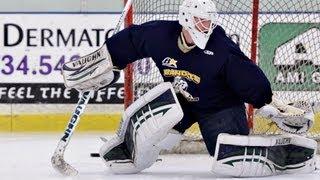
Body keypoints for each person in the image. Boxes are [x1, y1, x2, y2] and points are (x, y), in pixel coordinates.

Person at [62, 0, 317, 177]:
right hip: (179, 102)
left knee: (229, 158)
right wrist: (103, 62)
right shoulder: (159, 35)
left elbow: (251, 81)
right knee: (128, 162)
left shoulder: (222, 49)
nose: (206, 27)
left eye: (209, 22)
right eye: (201, 21)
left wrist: (268, 104)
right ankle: (129, 145)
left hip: (219, 108)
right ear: (185, 18)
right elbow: (130, 40)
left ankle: (286, 154)